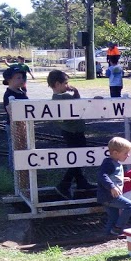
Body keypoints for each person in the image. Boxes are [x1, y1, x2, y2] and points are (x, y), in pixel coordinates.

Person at [47, 70, 96, 198]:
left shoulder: (54, 98)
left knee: (76, 157)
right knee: (79, 158)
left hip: (67, 131)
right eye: (65, 83)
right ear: (57, 84)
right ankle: (64, 184)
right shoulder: (66, 97)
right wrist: (77, 92)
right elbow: (80, 105)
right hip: (75, 131)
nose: (67, 86)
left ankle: (81, 182)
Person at [97, 136, 131, 237]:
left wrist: (121, 179)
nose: (128, 155)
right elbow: (102, 175)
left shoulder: (115, 163)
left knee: (113, 217)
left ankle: (108, 235)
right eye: (125, 153)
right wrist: (112, 187)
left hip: (107, 197)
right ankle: (118, 228)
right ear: (115, 153)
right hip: (109, 196)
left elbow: (111, 176)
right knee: (130, 206)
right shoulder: (109, 163)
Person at [2, 66, 28, 171]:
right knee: (14, 147)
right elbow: (11, 112)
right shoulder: (8, 95)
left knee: (23, 146)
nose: (21, 80)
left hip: (24, 124)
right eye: (18, 78)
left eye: (22, 77)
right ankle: (14, 169)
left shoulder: (21, 92)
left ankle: (24, 167)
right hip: (14, 126)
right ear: (9, 80)